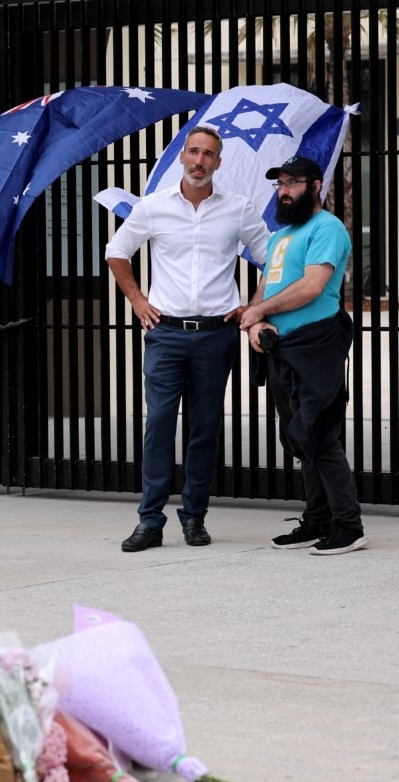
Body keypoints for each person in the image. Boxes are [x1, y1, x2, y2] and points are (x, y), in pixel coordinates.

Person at [105, 125, 272, 552]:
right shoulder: (153, 207)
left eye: (208, 154)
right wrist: (137, 299)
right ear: (182, 156)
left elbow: (273, 259)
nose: (199, 161)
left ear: (219, 162)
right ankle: (150, 521)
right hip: (166, 334)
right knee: (159, 423)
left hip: (216, 335)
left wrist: (254, 307)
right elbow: (117, 251)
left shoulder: (238, 208)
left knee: (205, 428)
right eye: (194, 152)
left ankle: (194, 516)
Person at [239, 156, 366, 555]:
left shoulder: (327, 228)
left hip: (317, 344)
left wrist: (258, 312)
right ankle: (317, 520)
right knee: (299, 436)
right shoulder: (280, 236)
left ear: (314, 186)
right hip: (282, 348)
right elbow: (266, 287)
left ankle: (349, 526)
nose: (284, 190)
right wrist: (255, 320)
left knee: (320, 434)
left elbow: (312, 286)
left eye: (292, 182)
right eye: (280, 184)